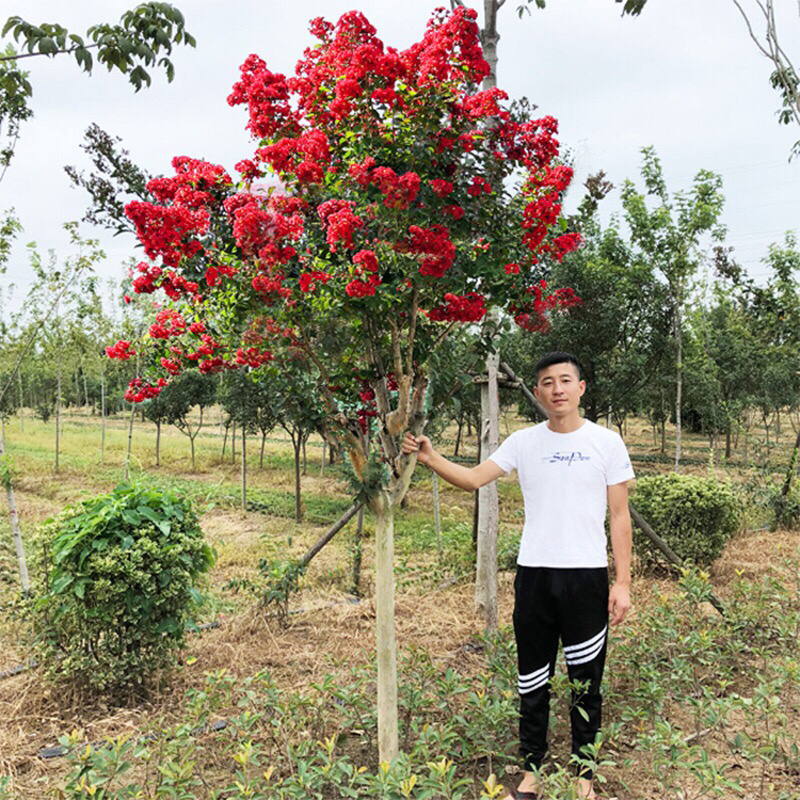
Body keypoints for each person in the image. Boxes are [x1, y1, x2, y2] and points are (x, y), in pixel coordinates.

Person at [402, 351, 634, 800]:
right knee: (533, 679)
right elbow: (472, 479)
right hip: (534, 576)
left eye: (566, 380)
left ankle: (584, 778)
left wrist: (621, 582)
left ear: (581, 388)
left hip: (586, 577)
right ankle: (531, 775)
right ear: (539, 391)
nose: (557, 389)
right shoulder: (524, 442)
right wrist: (431, 458)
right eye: (547, 382)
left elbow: (619, 516)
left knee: (586, 682)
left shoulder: (607, 442)